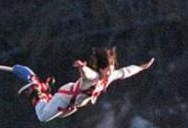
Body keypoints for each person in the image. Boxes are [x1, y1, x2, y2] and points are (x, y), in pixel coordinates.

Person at [13, 47, 155, 122]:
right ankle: (36, 88)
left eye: (112, 67)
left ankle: (43, 91)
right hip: (66, 97)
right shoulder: (93, 77)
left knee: (61, 114)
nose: (111, 71)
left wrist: (142, 67)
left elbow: (125, 71)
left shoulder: (110, 76)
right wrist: (82, 67)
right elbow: (87, 74)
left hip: (71, 105)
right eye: (107, 68)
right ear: (100, 69)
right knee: (42, 117)